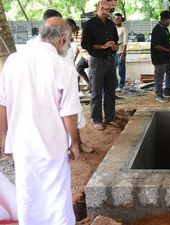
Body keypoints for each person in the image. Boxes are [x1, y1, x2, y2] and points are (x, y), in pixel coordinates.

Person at [0, 17, 80, 225]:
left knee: (28, 196)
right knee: (56, 197)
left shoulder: (13, 60)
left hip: (22, 143)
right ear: (62, 38)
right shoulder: (63, 66)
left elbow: (3, 104)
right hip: (51, 143)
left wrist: (5, 136)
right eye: (69, 40)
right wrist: (75, 143)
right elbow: (69, 113)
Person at [82, 0, 119, 131]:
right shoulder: (89, 24)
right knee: (97, 91)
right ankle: (97, 119)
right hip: (96, 60)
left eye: (108, 10)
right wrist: (103, 46)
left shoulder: (111, 24)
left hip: (110, 60)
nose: (105, 12)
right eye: (103, 8)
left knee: (110, 91)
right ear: (98, 7)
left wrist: (114, 46)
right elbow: (85, 44)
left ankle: (109, 118)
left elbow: (116, 40)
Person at [65, 18, 94, 154]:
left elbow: (85, 45)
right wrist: (75, 58)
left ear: (71, 26)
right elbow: (76, 49)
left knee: (73, 116)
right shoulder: (67, 40)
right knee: (79, 69)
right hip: (83, 57)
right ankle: (71, 146)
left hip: (90, 57)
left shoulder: (80, 33)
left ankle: (78, 144)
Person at [150, 10, 170, 103]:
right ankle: (159, 94)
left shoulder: (165, 29)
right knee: (159, 77)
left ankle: (167, 90)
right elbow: (156, 45)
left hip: (168, 58)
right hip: (159, 58)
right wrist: (169, 51)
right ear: (165, 19)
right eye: (169, 20)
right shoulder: (157, 29)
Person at [113, 13, 128, 92]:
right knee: (112, 69)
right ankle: (115, 85)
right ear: (113, 19)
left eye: (119, 18)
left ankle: (121, 86)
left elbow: (125, 42)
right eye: (116, 18)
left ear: (122, 19)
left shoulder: (124, 28)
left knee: (121, 69)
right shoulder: (112, 28)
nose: (118, 20)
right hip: (113, 52)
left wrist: (123, 54)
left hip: (121, 51)